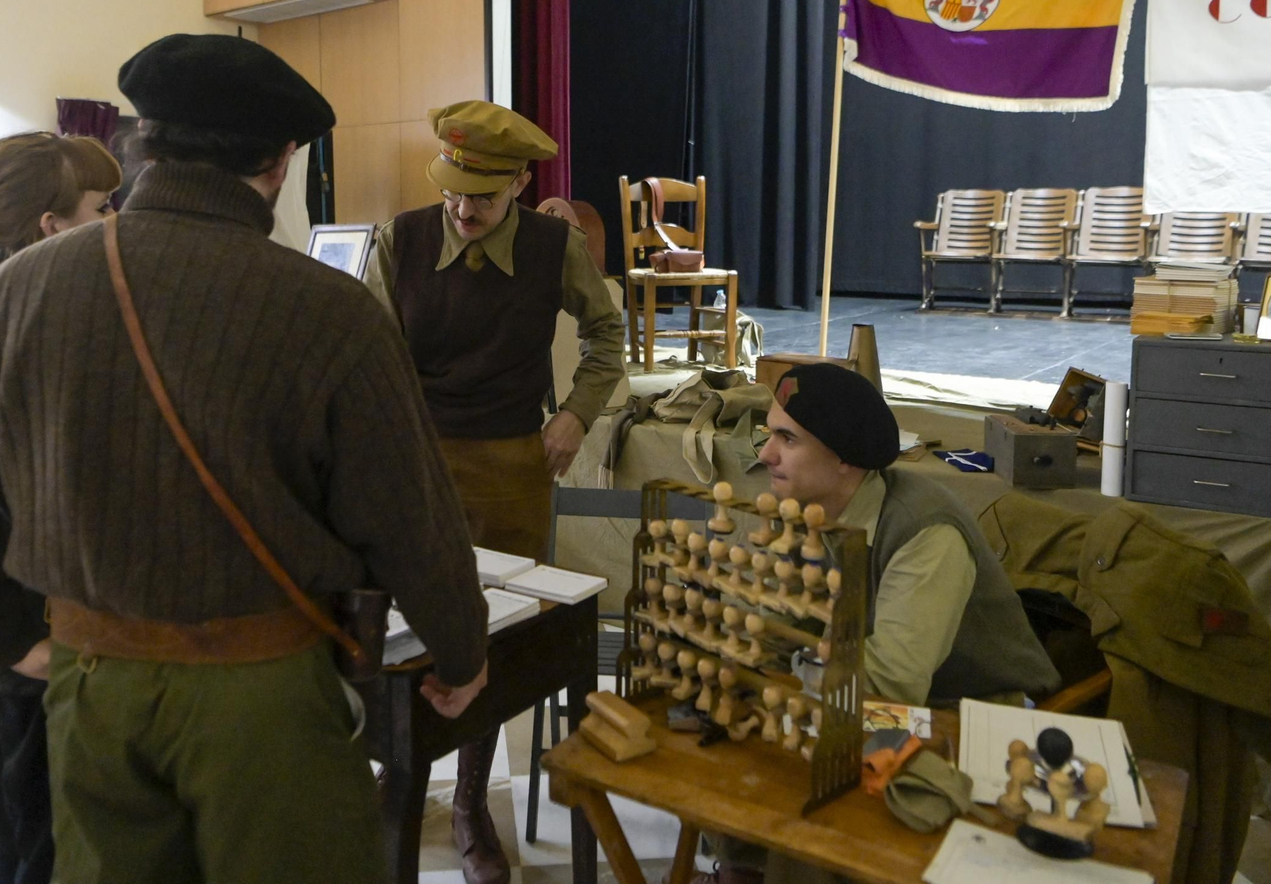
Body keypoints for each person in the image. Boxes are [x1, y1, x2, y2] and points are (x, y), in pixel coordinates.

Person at [0, 33, 489, 884]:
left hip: (93, 685)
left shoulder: (21, 288)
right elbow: (410, 523)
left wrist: (12, 633)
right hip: (264, 691)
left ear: (143, 144)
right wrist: (462, 656)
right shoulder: (332, 313)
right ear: (280, 163)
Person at [363, 99, 625, 884]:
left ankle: (473, 800)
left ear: (518, 182)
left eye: (481, 194)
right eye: (452, 190)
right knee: (393, 618)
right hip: (414, 460)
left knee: (490, 634)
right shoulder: (400, 240)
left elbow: (608, 336)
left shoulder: (554, 247)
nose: (462, 209)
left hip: (512, 463)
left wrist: (577, 414)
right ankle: (395, 772)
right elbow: (370, 350)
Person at [695, 363, 1059, 884]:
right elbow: (774, 623)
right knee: (729, 745)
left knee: (808, 791)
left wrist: (787, 674)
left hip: (958, 714)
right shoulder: (809, 511)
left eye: (786, 439)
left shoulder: (923, 532)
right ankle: (743, 865)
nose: (765, 454)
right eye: (768, 433)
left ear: (845, 459)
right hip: (855, 692)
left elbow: (894, 683)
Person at [0, 130, 122, 884]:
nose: (116, 221)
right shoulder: (24, 324)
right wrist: (12, 637)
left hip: (29, 626)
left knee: (26, 820)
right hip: (34, 626)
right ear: (53, 225)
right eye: (104, 207)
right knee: (44, 831)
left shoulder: (9, 302)